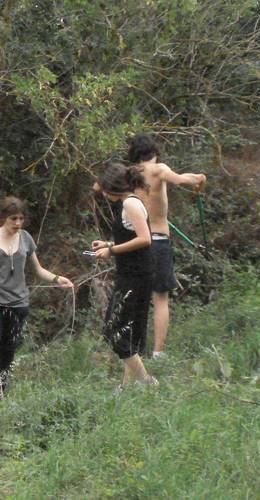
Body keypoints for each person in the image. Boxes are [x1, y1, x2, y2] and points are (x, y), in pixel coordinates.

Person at [0, 196, 73, 405]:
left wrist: (58, 279)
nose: (17, 223)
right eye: (13, 218)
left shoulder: (25, 238)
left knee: (9, 349)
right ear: (3, 217)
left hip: (18, 303)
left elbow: (38, 269)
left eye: (21, 219)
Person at [127, 133, 207, 358]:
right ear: (154, 151)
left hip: (135, 242)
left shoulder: (131, 174)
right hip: (158, 242)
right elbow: (180, 180)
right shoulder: (159, 169)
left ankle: (133, 349)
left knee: (137, 296)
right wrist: (199, 178)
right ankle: (158, 353)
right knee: (160, 299)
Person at [92, 162, 157, 391]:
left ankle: (147, 382)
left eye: (106, 188)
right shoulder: (127, 203)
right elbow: (132, 236)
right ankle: (127, 387)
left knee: (114, 331)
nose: (104, 194)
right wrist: (108, 244)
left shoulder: (130, 203)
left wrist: (111, 251)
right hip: (131, 273)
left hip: (136, 275)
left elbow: (145, 238)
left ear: (115, 186)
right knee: (127, 331)